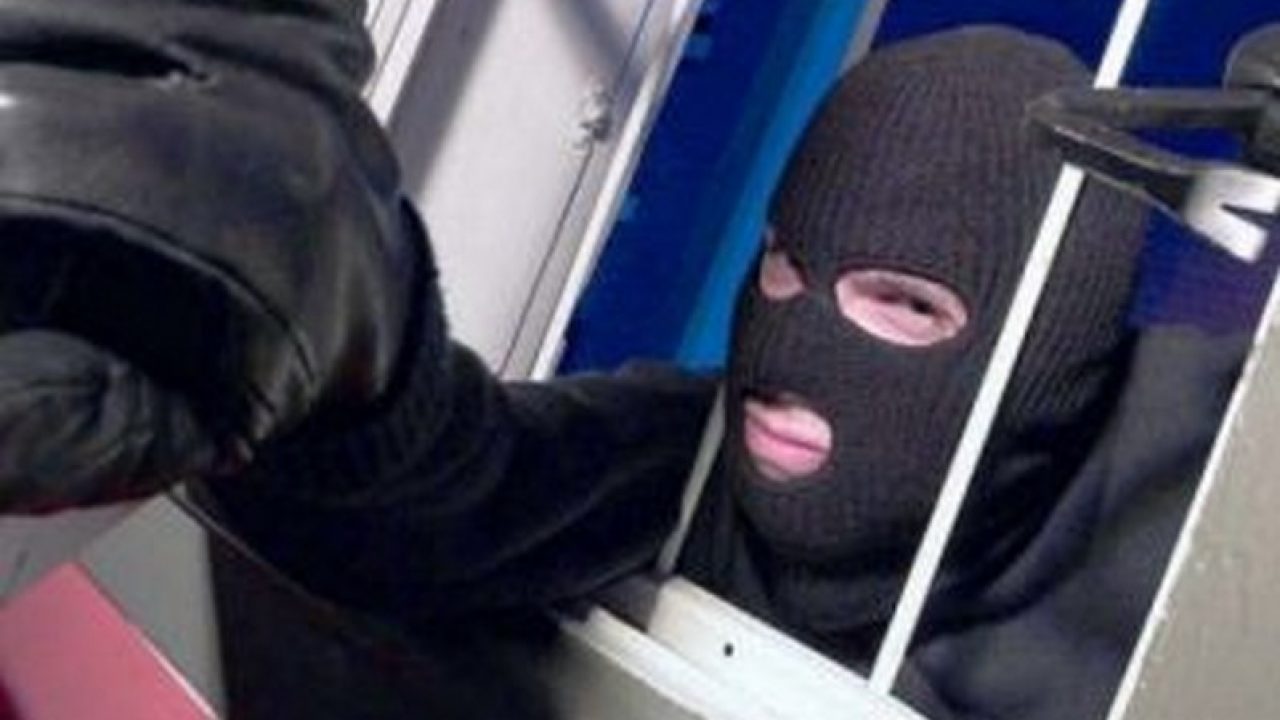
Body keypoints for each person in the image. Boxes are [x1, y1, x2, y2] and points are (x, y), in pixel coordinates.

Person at [0, 3, 1249, 719]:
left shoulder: (1174, 554)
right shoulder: (694, 453)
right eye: (782, 269)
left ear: (1048, 363)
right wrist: (335, 337)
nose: (795, 348)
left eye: (904, 304)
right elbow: (449, 497)